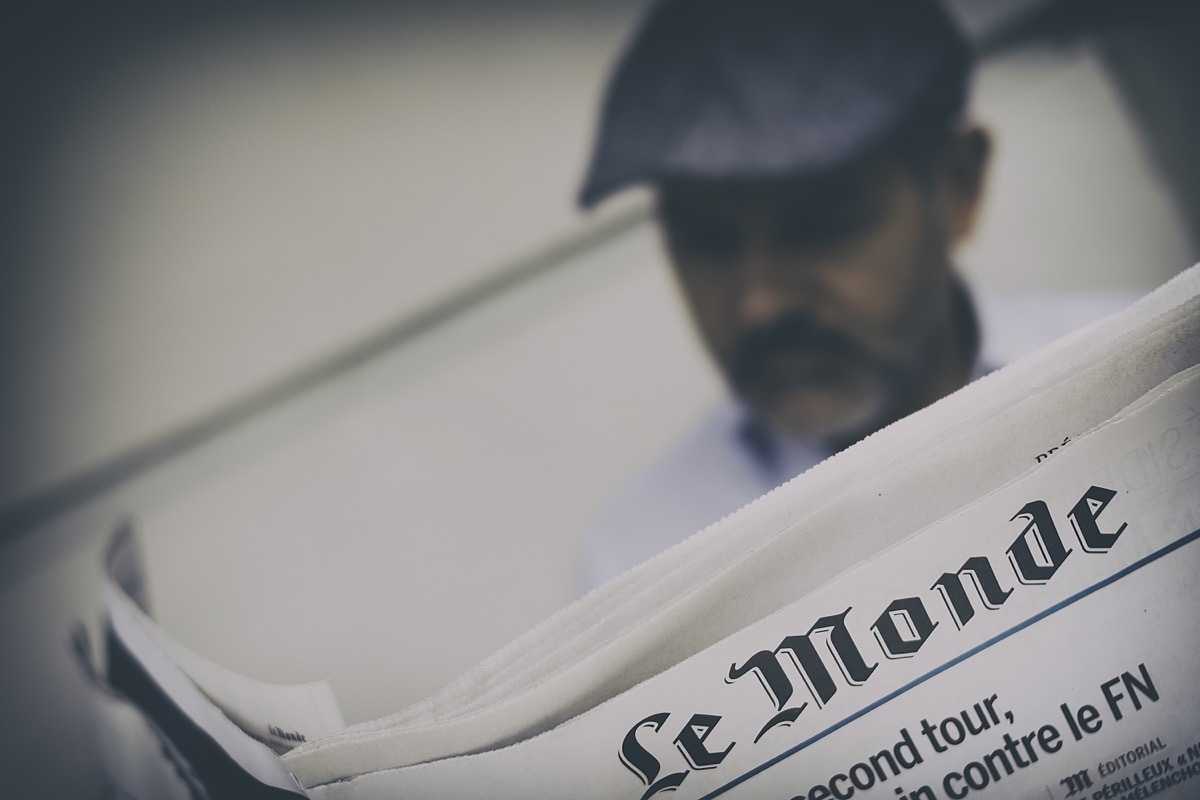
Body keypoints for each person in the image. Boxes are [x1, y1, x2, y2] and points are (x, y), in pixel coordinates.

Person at [574, 0, 996, 591]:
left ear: (959, 186)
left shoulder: (1163, 376)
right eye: (707, 242)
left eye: (821, 227)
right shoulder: (639, 563)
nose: (760, 303)